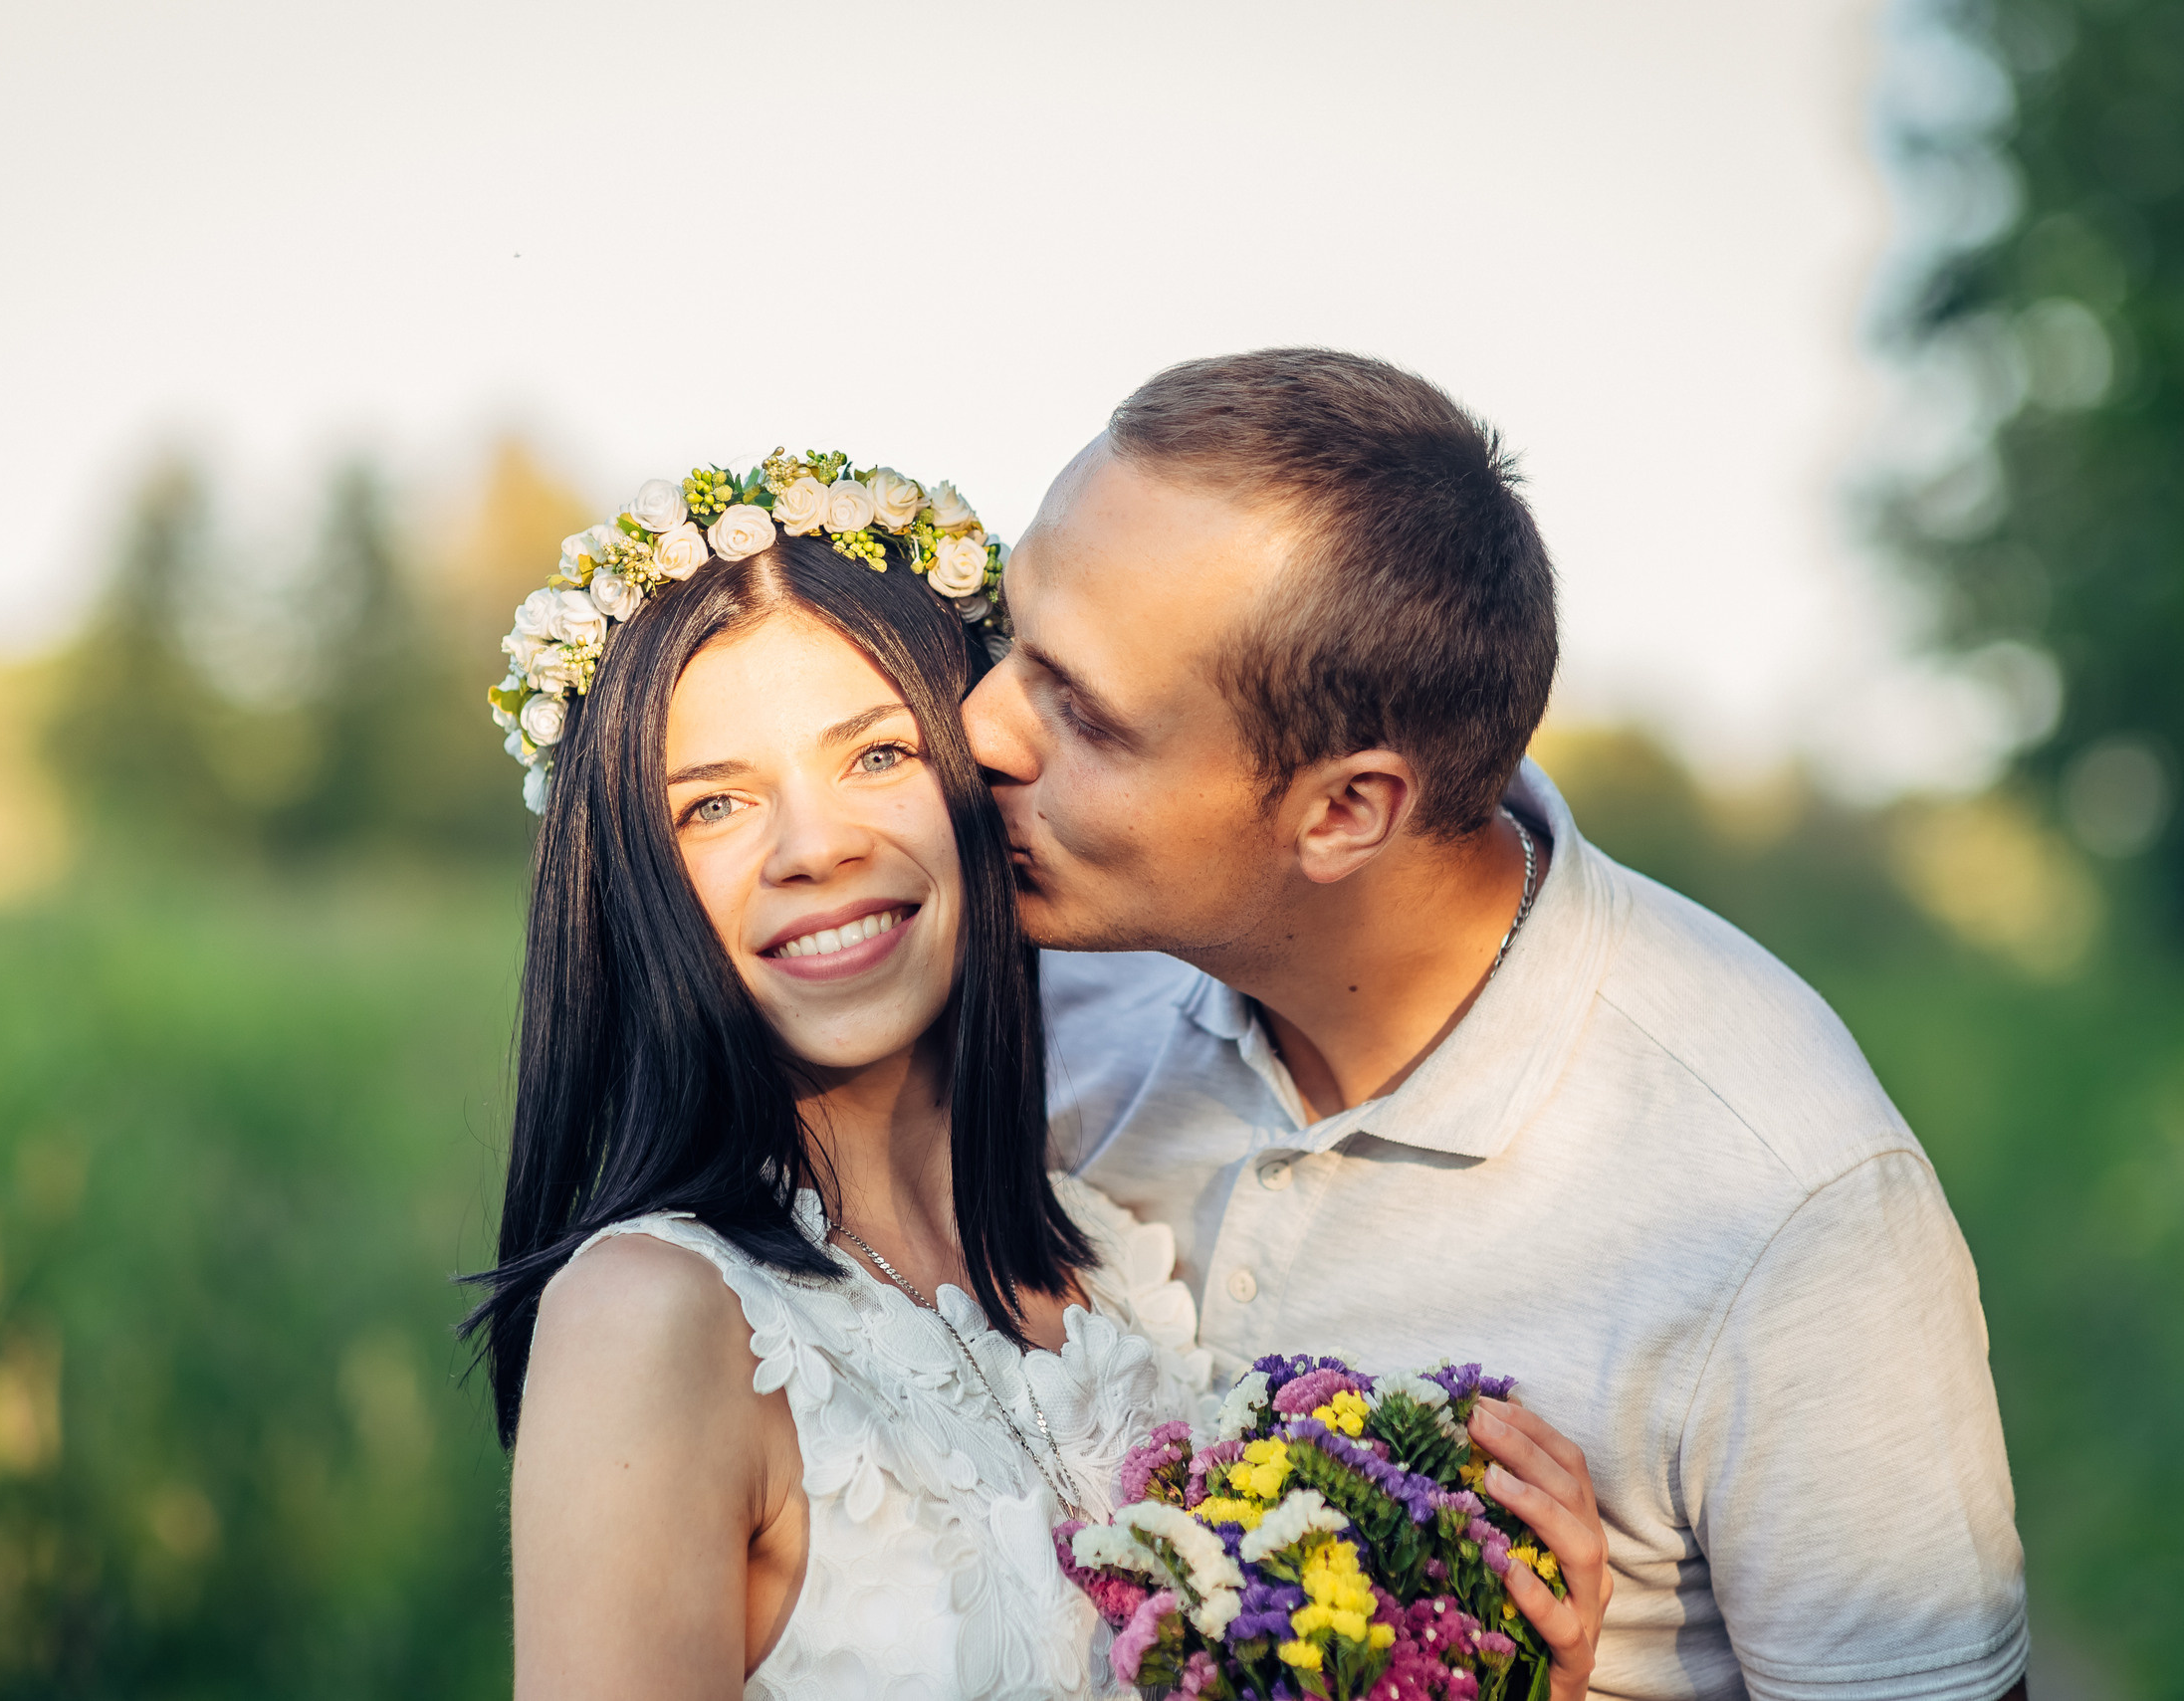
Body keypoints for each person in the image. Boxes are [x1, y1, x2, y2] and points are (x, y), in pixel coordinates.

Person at [964, 348, 2030, 1701]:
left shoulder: (1785, 1198)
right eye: (1010, 638)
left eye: (1085, 715)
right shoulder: (1033, 992)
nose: (979, 725)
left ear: (1345, 811)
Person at [462, 451, 1609, 1700]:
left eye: (878, 756)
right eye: (713, 805)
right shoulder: (650, 1319)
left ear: (985, 777)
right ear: (636, 879)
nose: (815, 846)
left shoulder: (1116, 1259)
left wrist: (1465, 1660)